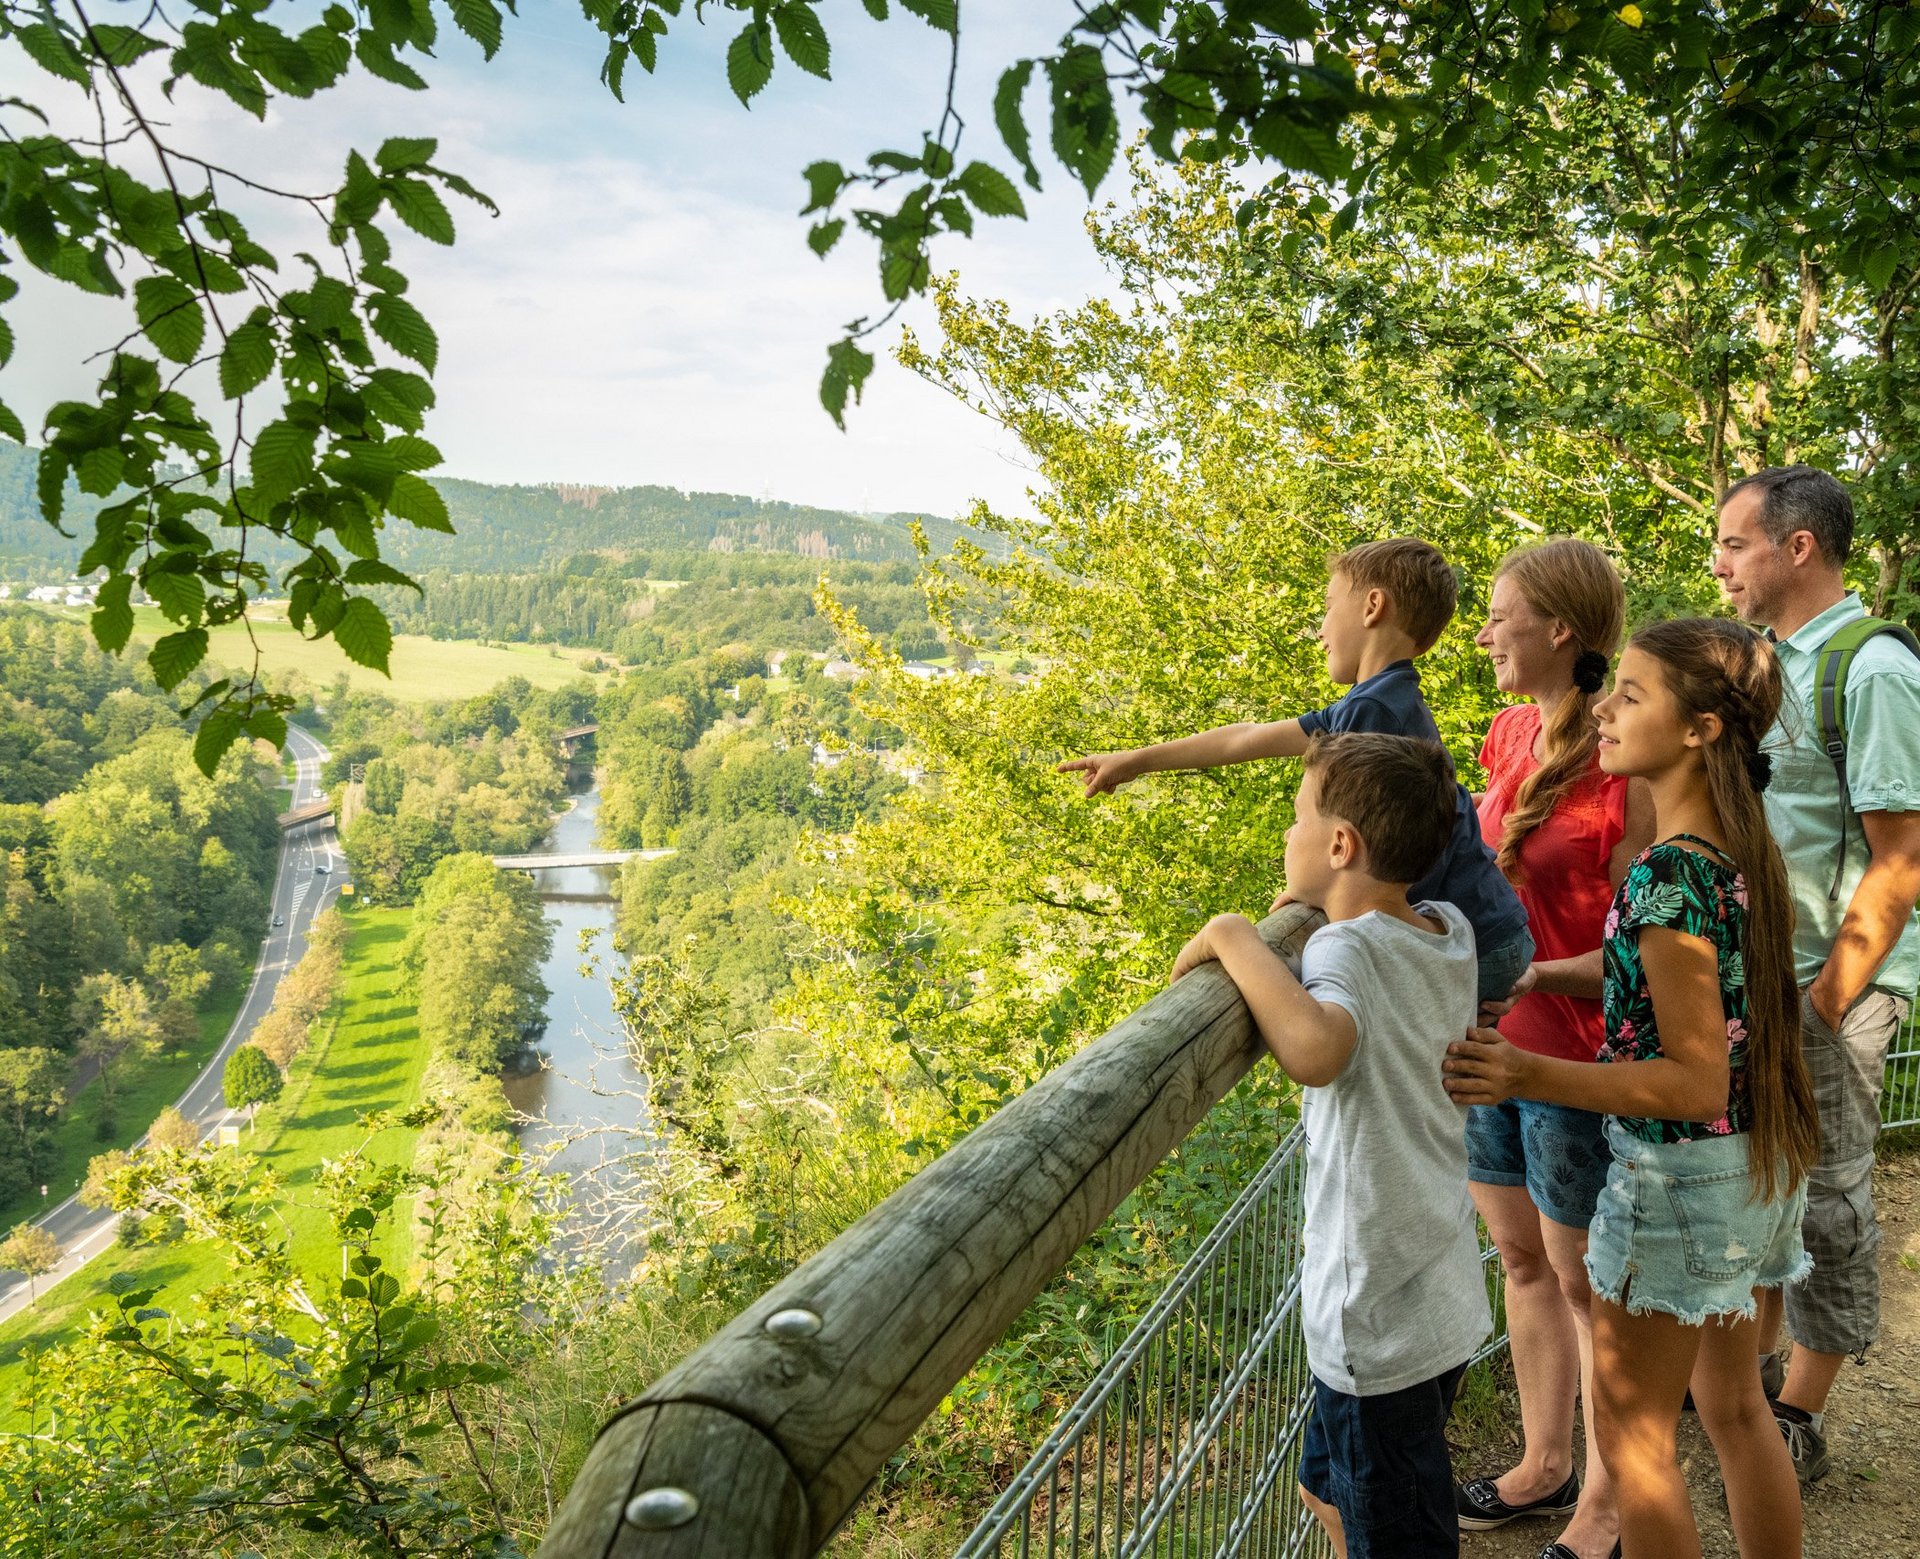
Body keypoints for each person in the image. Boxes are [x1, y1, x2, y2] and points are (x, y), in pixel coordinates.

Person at [1444, 618, 1818, 1559]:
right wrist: (1539, 975)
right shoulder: (1731, 847)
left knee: (1635, 1433)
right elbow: (1669, 987)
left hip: (1679, 1187)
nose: (1604, 704)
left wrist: (1528, 1069)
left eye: (1633, 695)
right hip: (1750, 1170)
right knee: (1735, 1406)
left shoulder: (1664, 877)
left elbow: (1692, 1077)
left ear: (1699, 729)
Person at [1170, 731, 1489, 1558]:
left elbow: (1317, 1050)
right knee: (1326, 1483)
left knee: (1403, 1534)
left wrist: (1236, 934)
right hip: (1437, 1285)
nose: (1287, 836)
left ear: (1341, 845)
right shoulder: (1447, 930)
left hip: (1376, 1318)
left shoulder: (1345, 945)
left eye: (1298, 818)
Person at [1060, 537, 1532, 1004]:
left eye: (1328, 606)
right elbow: (1247, 737)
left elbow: (1392, 852)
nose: (1321, 629)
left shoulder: (1376, 718)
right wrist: (1133, 761)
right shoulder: (1372, 703)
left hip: (1476, 936)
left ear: (1373, 607)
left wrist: (1320, 891)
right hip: (1485, 930)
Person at [1712, 464, 1920, 1483]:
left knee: (1829, 1197)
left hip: (1835, 987)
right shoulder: (1764, 662)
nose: (1721, 564)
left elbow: (1902, 856)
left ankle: (1799, 1410)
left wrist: (1824, 1001)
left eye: (1737, 543)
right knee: (1761, 1187)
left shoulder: (1870, 667)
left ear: (1798, 547)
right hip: (1762, 979)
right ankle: (1752, 1377)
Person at [1455, 539, 1653, 1559]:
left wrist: (1536, 976)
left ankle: (1609, 1507)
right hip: (1487, 1053)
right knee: (1522, 1260)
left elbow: (1649, 948)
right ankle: (1544, 1465)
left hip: (1573, 1064)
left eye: (1501, 615)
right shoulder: (1506, 733)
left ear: (1560, 627)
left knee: (1588, 1286)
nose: (1485, 634)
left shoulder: (1626, 756)